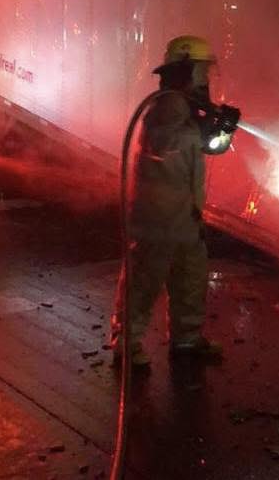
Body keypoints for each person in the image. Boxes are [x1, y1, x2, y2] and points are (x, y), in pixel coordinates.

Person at [111, 35, 227, 369]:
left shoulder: (186, 105)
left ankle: (187, 339)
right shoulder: (166, 105)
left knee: (190, 279)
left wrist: (222, 131)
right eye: (202, 70)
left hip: (185, 216)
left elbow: (207, 146)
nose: (206, 77)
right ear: (186, 69)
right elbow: (165, 144)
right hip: (157, 218)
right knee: (144, 282)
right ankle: (126, 345)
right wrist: (203, 127)